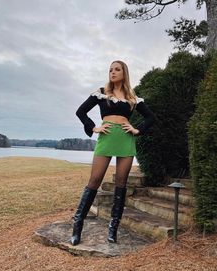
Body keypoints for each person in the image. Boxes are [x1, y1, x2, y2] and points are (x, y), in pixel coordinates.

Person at [70, 60, 156, 246]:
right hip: (107, 138)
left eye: (117, 69)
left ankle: (113, 229)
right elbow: (81, 112)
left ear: (124, 73)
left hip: (126, 140)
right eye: (110, 70)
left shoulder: (132, 97)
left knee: (121, 183)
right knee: (94, 181)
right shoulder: (102, 93)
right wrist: (93, 128)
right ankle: (77, 226)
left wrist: (137, 129)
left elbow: (151, 117)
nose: (112, 72)